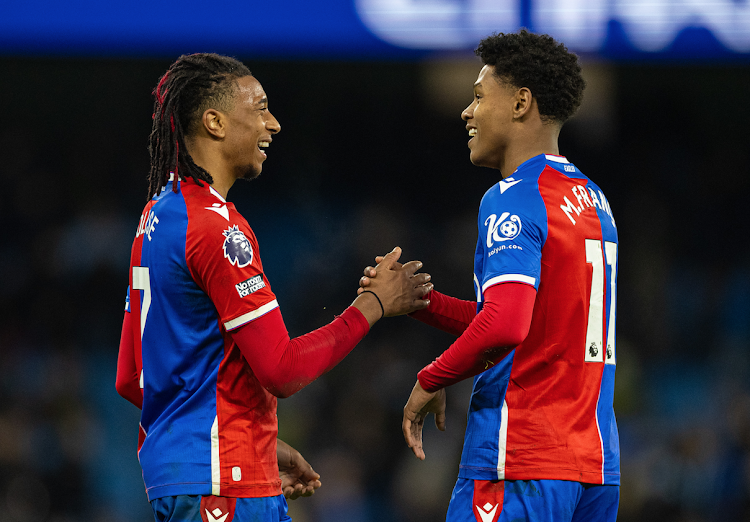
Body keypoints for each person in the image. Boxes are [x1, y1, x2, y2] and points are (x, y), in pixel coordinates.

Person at [115, 53, 432, 522]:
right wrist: (374, 304)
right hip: (225, 487)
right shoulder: (218, 230)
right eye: (260, 108)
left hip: (188, 479)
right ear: (215, 122)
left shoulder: (157, 216)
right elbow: (282, 370)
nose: (275, 124)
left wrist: (253, 436)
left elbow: (130, 376)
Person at [361, 30, 619, 521]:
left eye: (479, 96)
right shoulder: (593, 200)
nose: (467, 111)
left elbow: (504, 325)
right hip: (594, 464)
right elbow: (528, 327)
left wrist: (431, 378)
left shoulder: (513, 196)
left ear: (521, 102)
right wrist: (426, 303)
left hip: (521, 457)